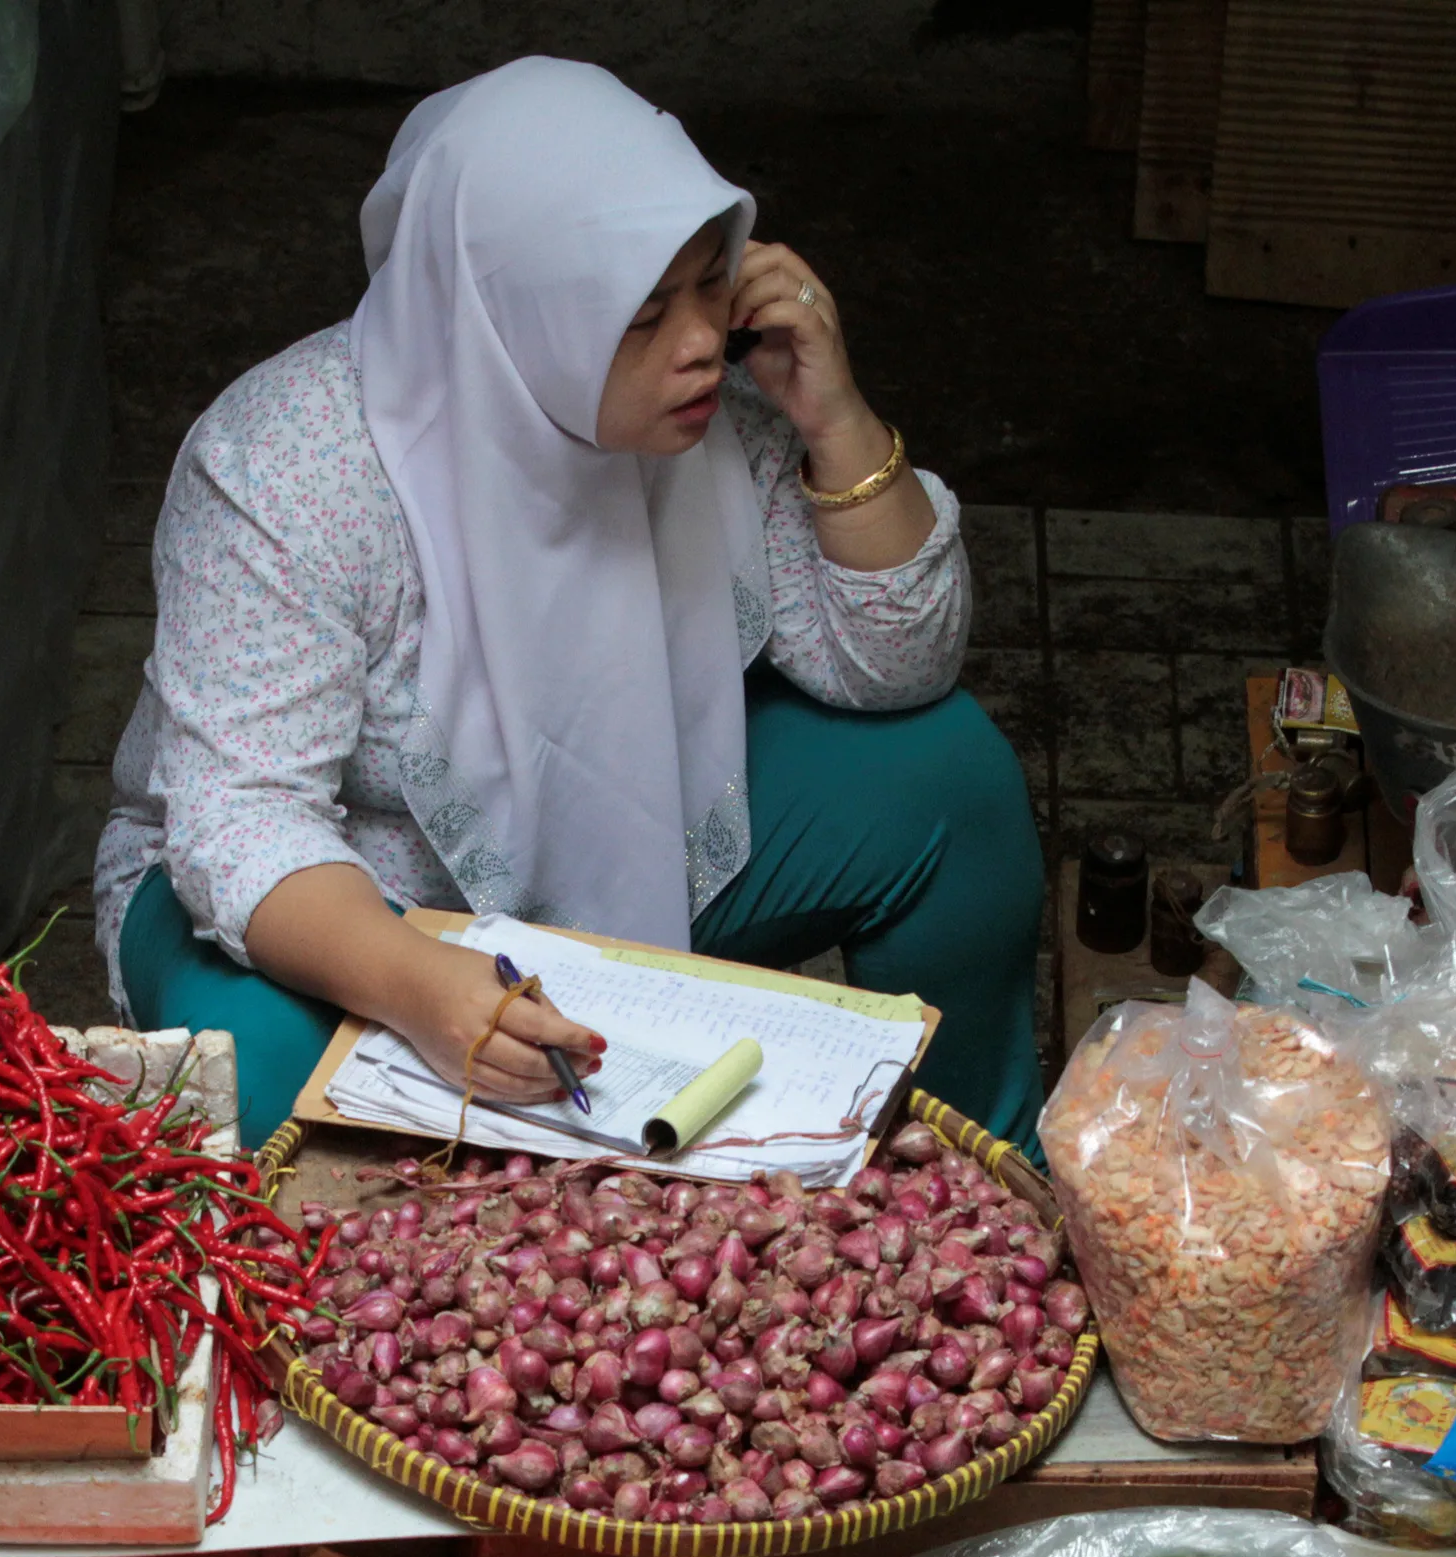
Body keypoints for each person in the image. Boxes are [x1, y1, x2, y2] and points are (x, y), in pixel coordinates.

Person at [94, 57, 1043, 1148]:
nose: (698, 341)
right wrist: (423, 985)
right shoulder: (287, 465)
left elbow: (897, 665)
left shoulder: (712, 418)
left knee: (948, 777)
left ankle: (974, 1197)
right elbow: (240, 821)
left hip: (647, 824)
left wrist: (837, 419)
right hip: (352, 902)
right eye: (641, 312)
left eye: (708, 283)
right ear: (516, 316)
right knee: (264, 1083)